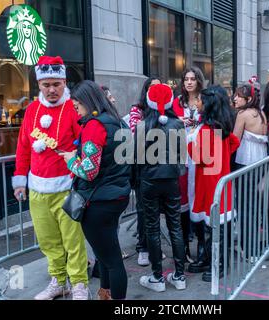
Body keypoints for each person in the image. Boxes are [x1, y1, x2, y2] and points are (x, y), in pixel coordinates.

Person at [12, 56, 89, 300]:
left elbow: (86, 143)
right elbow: (24, 147)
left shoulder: (73, 108)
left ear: (64, 82)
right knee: (48, 240)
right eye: (46, 85)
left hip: (66, 187)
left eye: (56, 84)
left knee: (73, 241)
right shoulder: (32, 110)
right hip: (37, 188)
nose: (52, 89)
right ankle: (59, 281)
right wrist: (19, 179)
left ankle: (79, 284)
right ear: (39, 85)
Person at [60, 80, 131, 300]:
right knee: (107, 254)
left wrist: (71, 160)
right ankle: (105, 293)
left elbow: (89, 171)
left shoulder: (94, 126)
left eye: (76, 105)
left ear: (87, 101)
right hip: (117, 196)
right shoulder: (120, 123)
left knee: (110, 260)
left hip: (98, 201)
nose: (76, 110)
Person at [187, 85, 240, 282]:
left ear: (208, 104)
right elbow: (235, 142)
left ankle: (218, 264)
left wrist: (189, 144)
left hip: (210, 183)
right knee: (216, 226)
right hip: (216, 182)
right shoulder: (221, 126)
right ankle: (212, 260)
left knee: (214, 227)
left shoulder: (208, 129)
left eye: (200, 100)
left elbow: (199, 158)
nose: (197, 102)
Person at [137, 84, 187, 292]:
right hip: (171, 180)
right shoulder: (178, 124)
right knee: (175, 225)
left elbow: (138, 158)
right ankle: (180, 275)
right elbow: (182, 156)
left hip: (149, 180)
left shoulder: (143, 125)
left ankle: (157, 277)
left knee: (153, 227)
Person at [173, 67, 206, 267]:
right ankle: (183, 247)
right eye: (186, 79)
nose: (189, 82)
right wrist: (178, 121)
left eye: (193, 78)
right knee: (183, 202)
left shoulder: (205, 100)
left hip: (202, 154)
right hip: (182, 155)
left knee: (200, 199)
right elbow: (166, 121)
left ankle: (202, 246)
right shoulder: (177, 102)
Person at [128, 76, 162, 266]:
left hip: (161, 166)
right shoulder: (137, 110)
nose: (155, 90)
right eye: (152, 87)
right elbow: (136, 134)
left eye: (159, 87)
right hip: (142, 166)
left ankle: (154, 247)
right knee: (143, 209)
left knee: (156, 210)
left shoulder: (164, 110)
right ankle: (143, 247)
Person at [232, 82, 268, 170]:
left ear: (248, 99)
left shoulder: (243, 114)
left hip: (246, 160)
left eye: (239, 96)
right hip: (263, 159)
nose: (235, 99)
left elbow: (234, 140)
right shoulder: (261, 113)